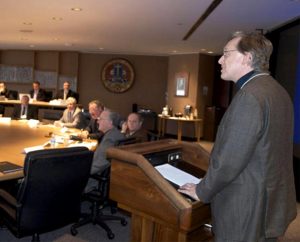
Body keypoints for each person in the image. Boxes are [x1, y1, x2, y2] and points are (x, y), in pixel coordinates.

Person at [178, 31, 297, 242]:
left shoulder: (250, 96)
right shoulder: (278, 91)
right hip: (271, 202)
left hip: (247, 206)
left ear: (247, 57)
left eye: (226, 54)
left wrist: (202, 190)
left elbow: (230, 160)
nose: (220, 60)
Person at [85, 110, 124, 192]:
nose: (98, 121)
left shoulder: (110, 139)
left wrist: (78, 171)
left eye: (101, 119)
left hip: (91, 180)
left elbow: (98, 164)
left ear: (110, 122)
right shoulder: (115, 134)